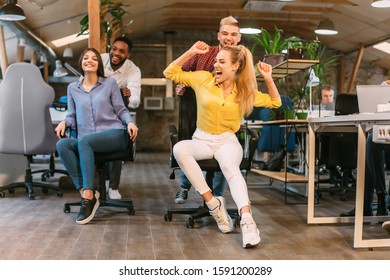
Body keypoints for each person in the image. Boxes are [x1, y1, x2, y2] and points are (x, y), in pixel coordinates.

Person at [163, 41, 281, 248]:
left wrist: (269, 79)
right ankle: (213, 204)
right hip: (202, 139)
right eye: (216, 61)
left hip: (227, 140)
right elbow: (170, 72)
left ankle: (247, 220)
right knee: (179, 148)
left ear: (235, 66)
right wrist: (191, 51)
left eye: (222, 61)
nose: (216, 65)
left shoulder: (244, 91)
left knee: (229, 167)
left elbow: (275, 103)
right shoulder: (202, 79)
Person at [55, 48, 138, 225]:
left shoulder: (109, 84)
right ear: (81, 63)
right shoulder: (72, 88)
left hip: (113, 133)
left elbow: (120, 109)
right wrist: (64, 122)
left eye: (94, 58)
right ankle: (86, 193)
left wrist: (130, 122)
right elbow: (71, 115)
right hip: (88, 139)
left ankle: (88, 197)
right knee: (63, 145)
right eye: (86, 58)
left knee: (83, 141)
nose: (90, 60)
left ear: (99, 64)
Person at [174, 15, 242, 204]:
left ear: (239, 38)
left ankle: (216, 197)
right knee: (189, 143)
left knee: (223, 151)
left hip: (226, 112)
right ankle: (185, 187)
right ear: (219, 35)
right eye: (225, 33)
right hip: (196, 108)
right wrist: (180, 84)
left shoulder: (242, 60)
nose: (229, 38)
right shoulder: (204, 53)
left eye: (233, 34)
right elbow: (180, 71)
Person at [340, 80, 390, 220]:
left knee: (370, 146)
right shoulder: (385, 86)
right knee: (371, 142)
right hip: (386, 134)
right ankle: (380, 199)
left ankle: (369, 205)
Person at [101, 36, 141, 200]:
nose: (116, 53)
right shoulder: (100, 59)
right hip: (96, 110)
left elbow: (135, 102)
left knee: (117, 142)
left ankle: (113, 186)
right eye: (114, 49)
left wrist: (129, 95)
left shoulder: (133, 70)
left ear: (128, 55)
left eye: (121, 51)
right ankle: (98, 183)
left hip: (116, 113)